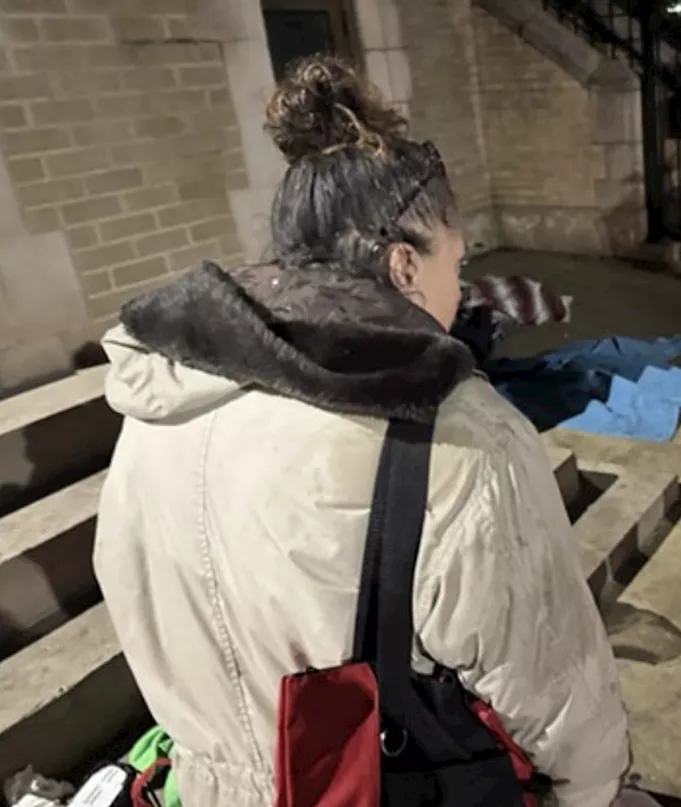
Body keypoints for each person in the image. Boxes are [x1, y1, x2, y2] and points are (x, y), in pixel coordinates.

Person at [92, 56, 638, 807]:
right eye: (460, 259)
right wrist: (595, 792)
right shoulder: (462, 441)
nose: (463, 284)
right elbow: (561, 700)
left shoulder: (155, 403)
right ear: (404, 266)